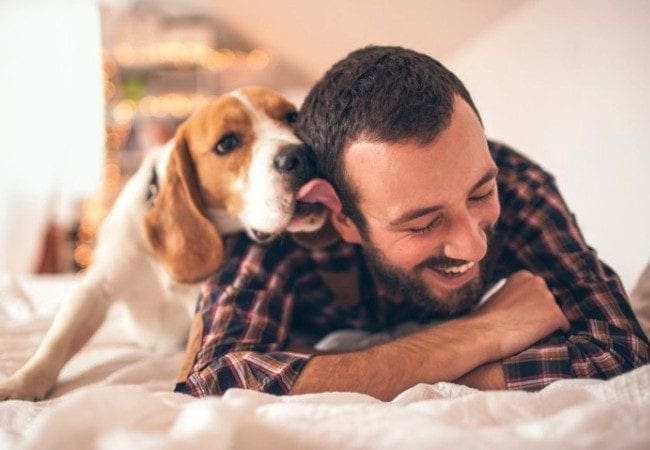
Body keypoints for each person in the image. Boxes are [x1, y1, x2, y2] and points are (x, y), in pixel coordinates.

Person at [174, 46, 648, 401]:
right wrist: (485, 331)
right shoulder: (288, 219)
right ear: (341, 216)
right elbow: (213, 382)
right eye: (421, 224)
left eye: (481, 194)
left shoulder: (517, 183)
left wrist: (343, 373)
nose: (472, 246)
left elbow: (619, 349)